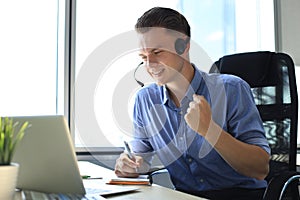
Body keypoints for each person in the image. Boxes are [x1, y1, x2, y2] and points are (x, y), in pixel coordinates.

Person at [115, 7, 270, 200]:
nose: (150, 64)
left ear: (184, 46)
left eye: (157, 52)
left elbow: (260, 168)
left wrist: (209, 130)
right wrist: (128, 165)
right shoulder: (145, 100)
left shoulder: (232, 89)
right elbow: (141, 158)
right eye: (144, 57)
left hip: (241, 195)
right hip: (184, 196)